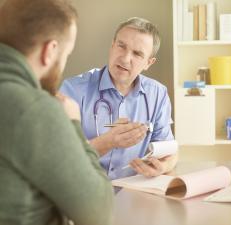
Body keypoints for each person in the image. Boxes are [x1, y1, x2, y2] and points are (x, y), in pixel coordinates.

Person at [0, 1, 113, 225]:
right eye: (66, 54)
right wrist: (73, 124)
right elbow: (99, 214)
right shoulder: (34, 109)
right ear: (49, 51)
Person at [60, 17, 178, 180]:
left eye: (137, 53)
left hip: (134, 192)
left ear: (148, 63)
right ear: (112, 46)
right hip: (84, 191)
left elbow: (170, 152)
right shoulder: (73, 90)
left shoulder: (157, 94)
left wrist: (162, 167)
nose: (124, 58)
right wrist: (108, 141)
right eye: (121, 46)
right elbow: (59, 157)